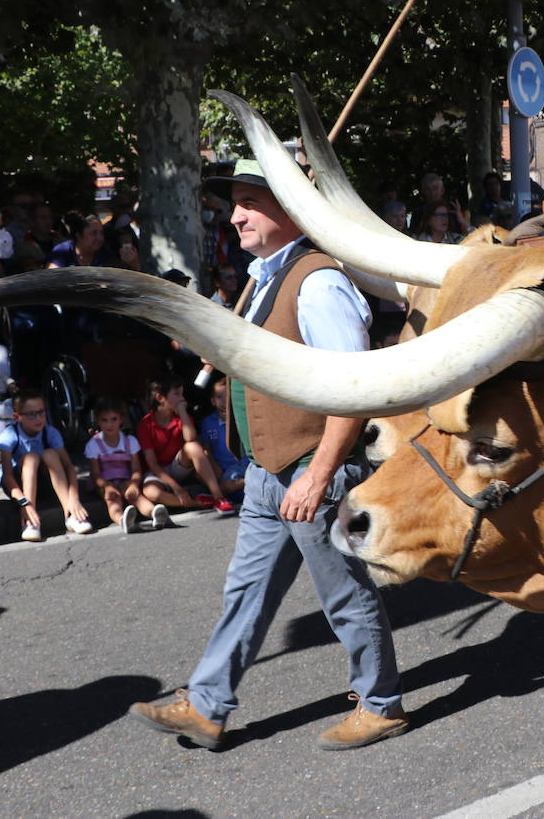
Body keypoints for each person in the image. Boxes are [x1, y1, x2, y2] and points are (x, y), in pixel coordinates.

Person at [128, 157, 406, 752]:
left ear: (290, 208)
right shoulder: (262, 276)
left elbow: (352, 392)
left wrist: (321, 475)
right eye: (234, 204)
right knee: (245, 593)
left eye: (250, 203)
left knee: (344, 594)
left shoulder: (318, 281)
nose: (235, 216)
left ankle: (380, 703)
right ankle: (206, 705)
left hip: (311, 468)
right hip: (265, 469)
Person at [0, 388, 91, 541]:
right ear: (17, 417)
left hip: (46, 484)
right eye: (31, 414)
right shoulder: (10, 435)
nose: (38, 418)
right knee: (30, 457)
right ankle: (30, 522)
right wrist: (24, 503)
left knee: (50, 454)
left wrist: (74, 497)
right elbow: (7, 477)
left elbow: (69, 466)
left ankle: (71, 514)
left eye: (41, 412)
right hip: (18, 489)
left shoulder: (50, 432)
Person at [135, 375, 233, 514]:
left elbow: (190, 438)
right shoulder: (145, 425)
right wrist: (177, 488)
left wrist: (182, 411)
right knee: (151, 492)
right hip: (159, 471)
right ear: (160, 398)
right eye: (177, 394)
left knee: (193, 446)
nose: (182, 399)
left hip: (179, 465)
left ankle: (218, 497)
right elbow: (152, 464)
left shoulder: (181, 418)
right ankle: (198, 503)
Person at [84, 397, 166, 534]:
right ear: (98, 421)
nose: (109, 424)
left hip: (125, 479)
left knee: (135, 495)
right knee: (112, 499)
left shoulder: (130, 441)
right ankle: (122, 520)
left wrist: (134, 484)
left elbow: (136, 469)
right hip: (103, 482)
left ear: (121, 419)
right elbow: (95, 474)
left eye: (114, 419)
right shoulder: (94, 444)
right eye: (104, 420)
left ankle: (154, 513)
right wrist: (107, 486)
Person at [198, 378, 246, 500]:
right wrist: (215, 468)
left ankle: (247, 483)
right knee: (225, 487)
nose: (224, 401)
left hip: (244, 464)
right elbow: (206, 449)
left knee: (228, 487)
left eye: (227, 396)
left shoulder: (240, 418)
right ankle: (248, 483)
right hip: (224, 469)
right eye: (219, 397)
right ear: (213, 401)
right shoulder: (208, 422)